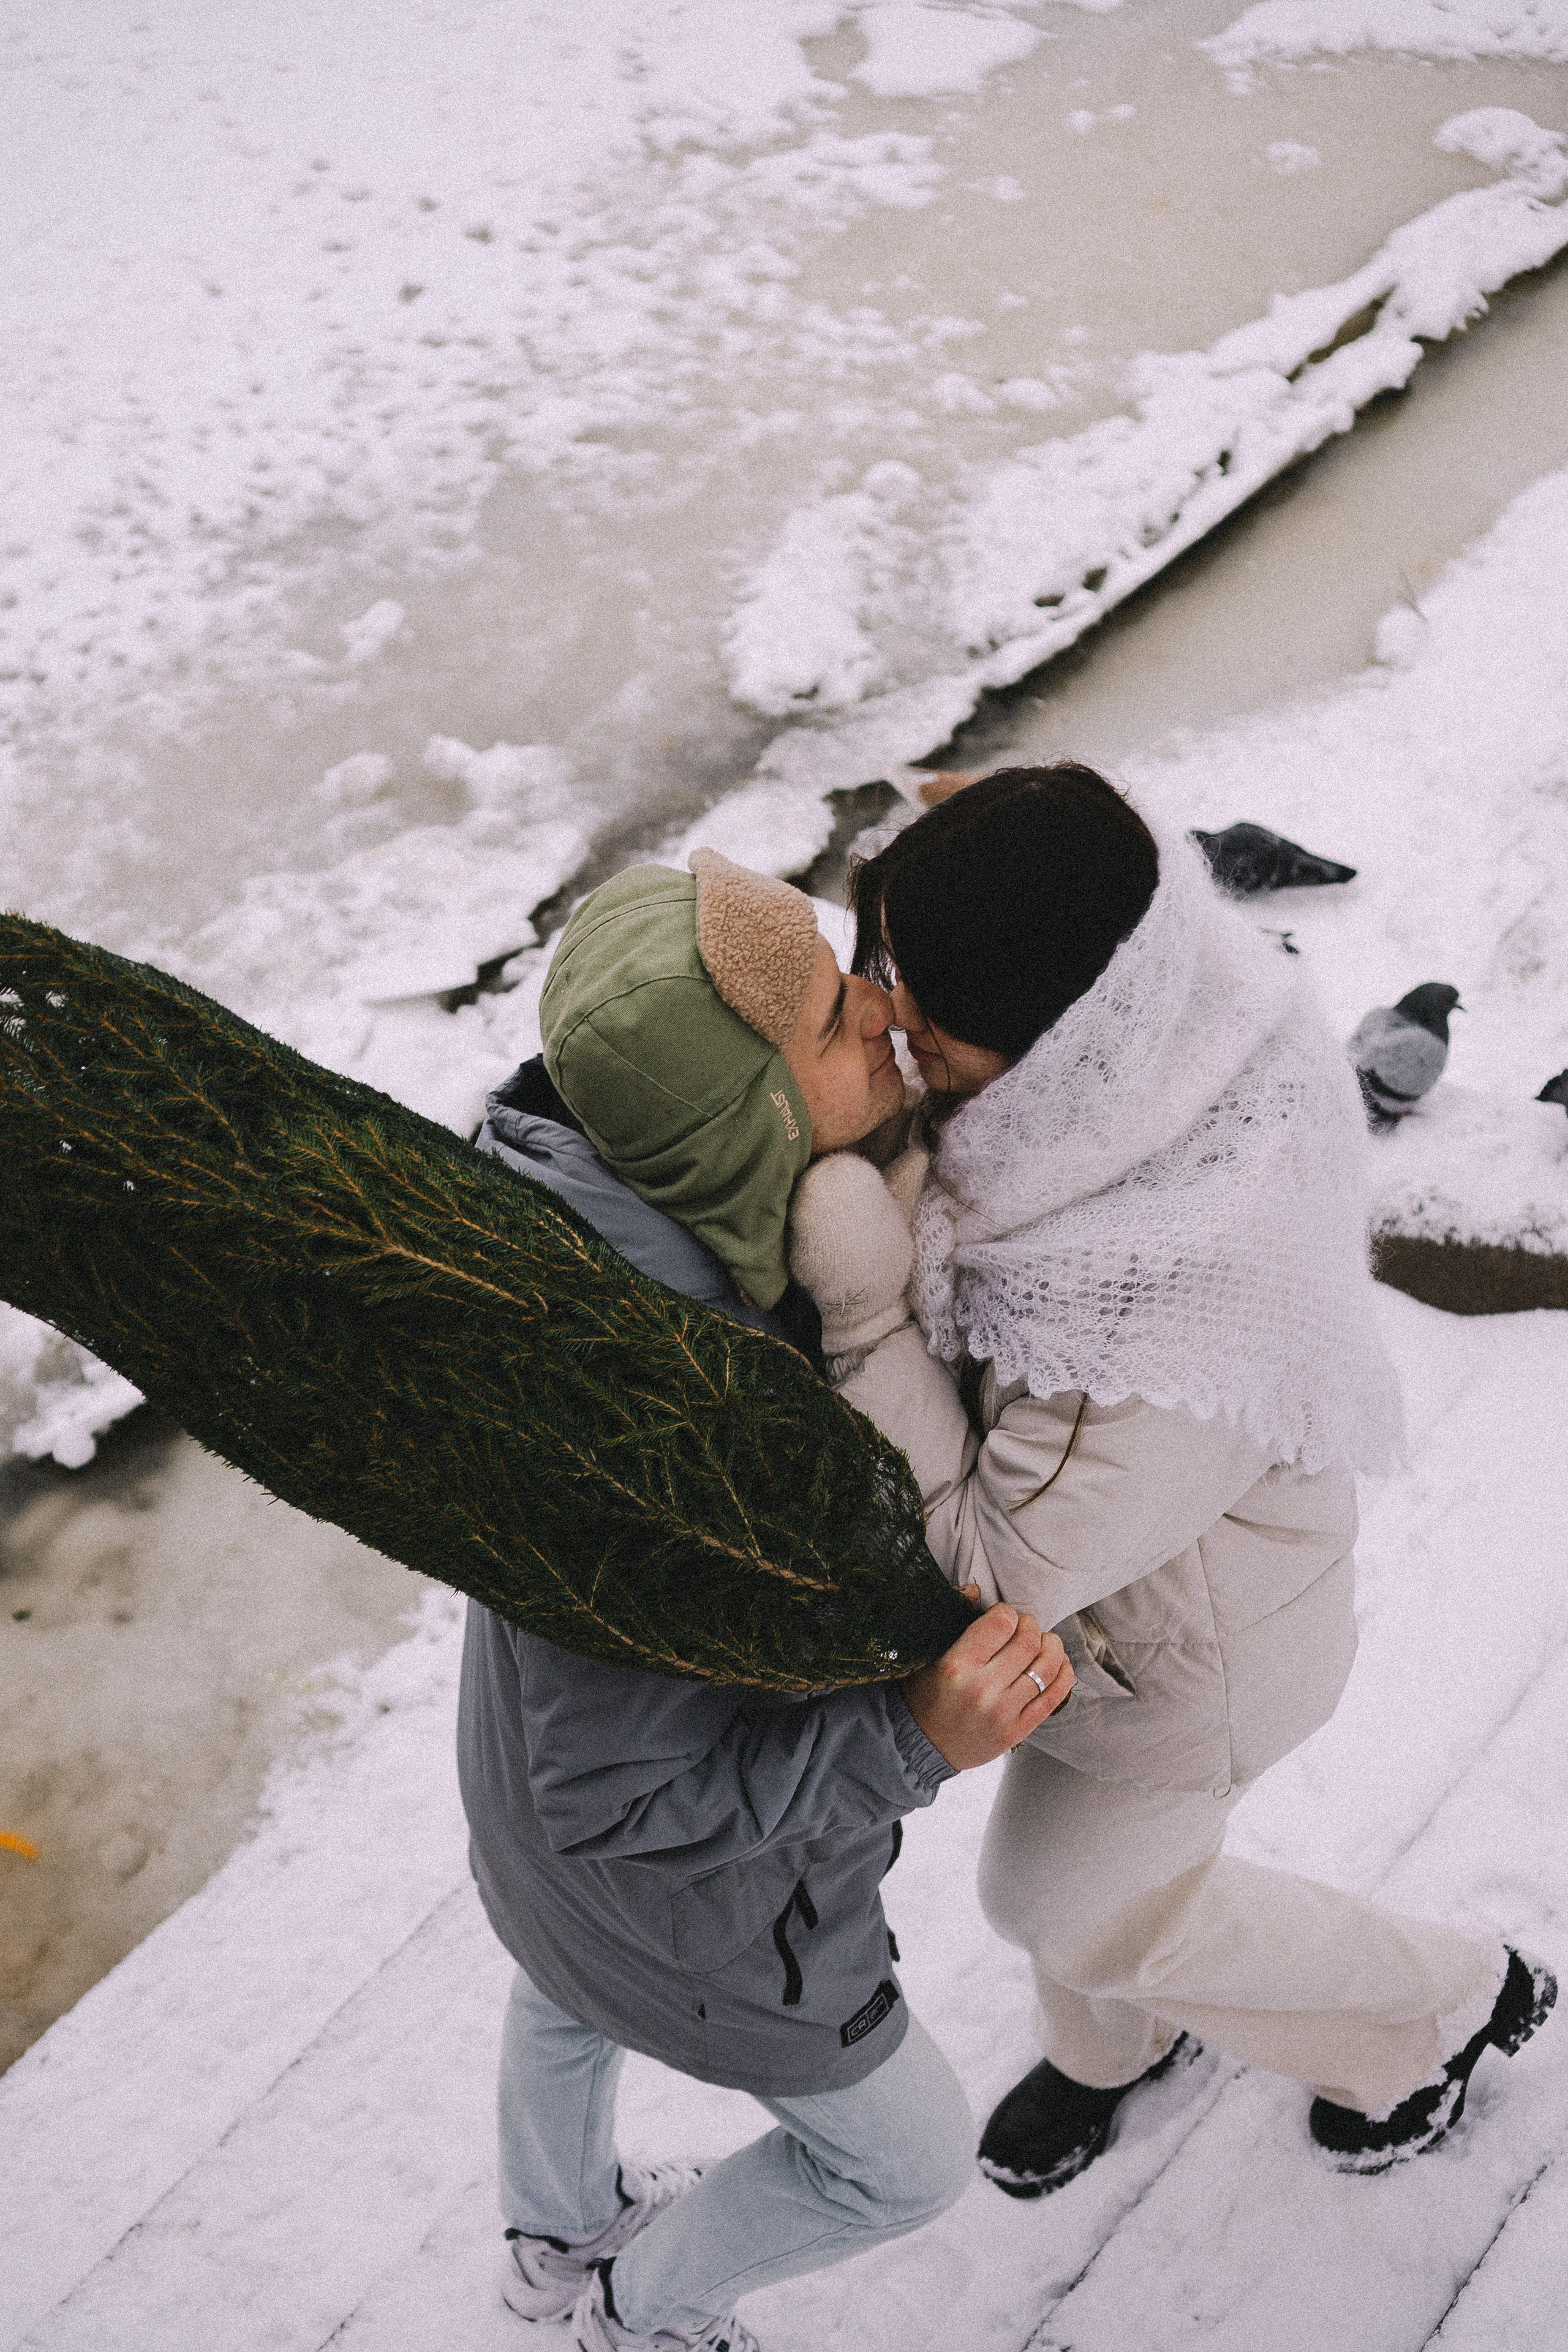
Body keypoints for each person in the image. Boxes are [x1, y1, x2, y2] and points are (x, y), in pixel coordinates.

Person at [785, 764, 1556, 2193]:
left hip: (1188, 1665)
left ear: (1062, 1045)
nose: (886, 1016)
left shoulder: (1130, 1308)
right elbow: (1095, 871)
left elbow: (994, 1565)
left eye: (929, 1018)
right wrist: (984, 834)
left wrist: (866, 1313)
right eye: (875, 966)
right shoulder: (1182, 1019)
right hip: (1161, 1594)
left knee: (1062, 1900)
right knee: (1102, 1905)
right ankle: (1117, 2054)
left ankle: (1439, 2009)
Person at [459, 849, 1074, 2352]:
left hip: (533, 1852)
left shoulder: (577, 1234)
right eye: (828, 1019)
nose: (882, 1010)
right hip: (692, 1905)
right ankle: (635, 2314)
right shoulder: (666, 1432)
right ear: (744, 1131)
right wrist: (915, 1738)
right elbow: (619, 1798)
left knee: (558, 1984)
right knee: (906, 2162)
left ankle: (553, 2234)